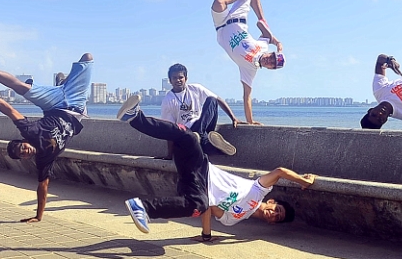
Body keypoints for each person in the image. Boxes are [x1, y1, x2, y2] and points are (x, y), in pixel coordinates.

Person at [116, 95, 315, 241]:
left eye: (277, 218)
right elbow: (280, 172)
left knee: (199, 204)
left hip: (196, 188)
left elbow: (210, 208)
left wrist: (206, 235)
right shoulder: (258, 191)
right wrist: (303, 181)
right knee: (188, 137)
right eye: (277, 210)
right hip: (202, 168)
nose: (274, 214)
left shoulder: (232, 219)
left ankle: (143, 208)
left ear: (272, 223)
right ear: (271, 202)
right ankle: (135, 117)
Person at [0, 53, 92, 223]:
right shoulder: (43, 160)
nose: (25, 151)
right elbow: (43, 187)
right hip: (77, 105)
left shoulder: (31, 131)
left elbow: (9, 110)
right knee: (88, 59)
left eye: (22, 148)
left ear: (24, 141)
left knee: (22, 87)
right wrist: (38, 216)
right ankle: (63, 83)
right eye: (23, 155)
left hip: (55, 104)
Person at [211, 0, 284, 125]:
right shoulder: (263, 46)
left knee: (218, 3)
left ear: (270, 68)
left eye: (272, 64)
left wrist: (250, 122)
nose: (269, 60)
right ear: (270, 53)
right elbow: (262, 29)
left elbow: (247, 97)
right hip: (238, 18)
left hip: (221, 26)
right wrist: (276, 42)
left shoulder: (250, 70)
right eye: (271, 57)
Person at [160, 63, 239, 159]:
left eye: (180, 77)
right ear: (170, 80)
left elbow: (218, 100)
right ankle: (218, 147)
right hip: (187, 132)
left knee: (212, 99)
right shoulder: (168, 100)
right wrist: (169, 155)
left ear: (186, 78)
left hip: (202, 126)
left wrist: (233, 118)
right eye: (174, 78)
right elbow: (170, 129)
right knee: (207, 147)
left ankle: (200, 135)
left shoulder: (195, 89)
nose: (178, 80)